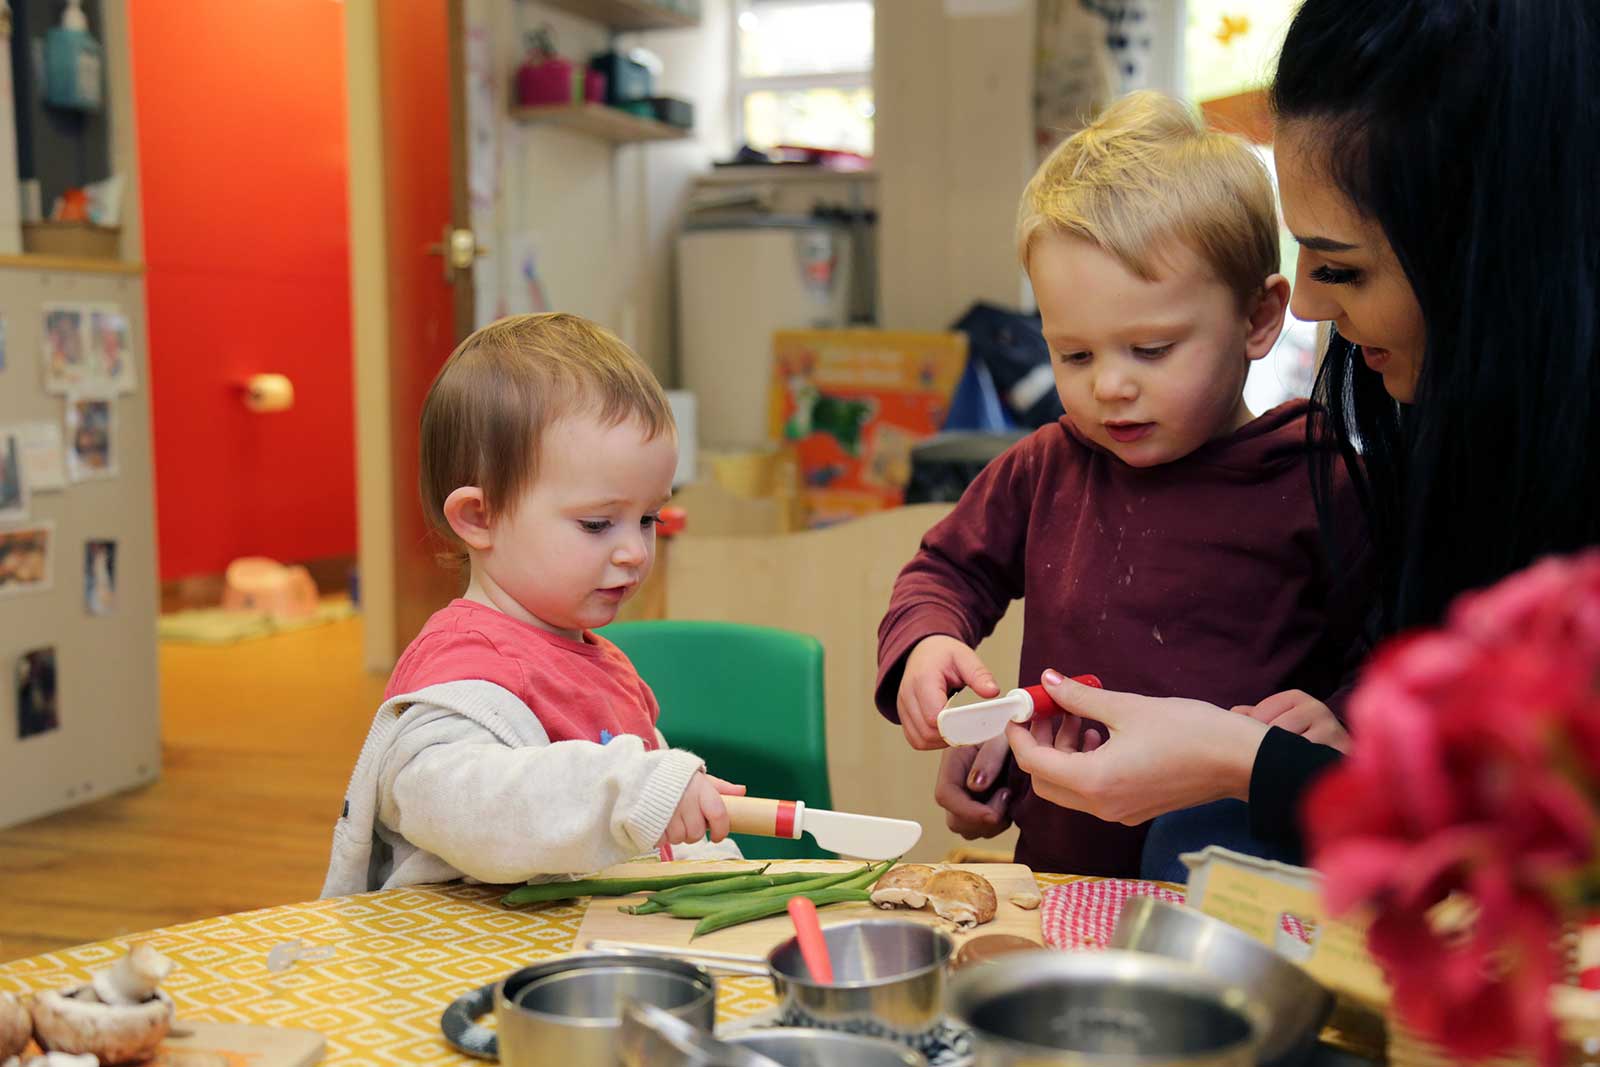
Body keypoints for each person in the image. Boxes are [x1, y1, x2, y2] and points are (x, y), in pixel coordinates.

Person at [1008, 0, 1600, 852]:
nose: (1313, 305)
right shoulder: (1444, 433)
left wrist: (1245, 759)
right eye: (1075, 353)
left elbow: (1513, 829)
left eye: (1342, 268)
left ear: (1486, 253)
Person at [876, 91, 1370, 877]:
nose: (1109, 386)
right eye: (1074, 355)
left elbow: (1398, 652)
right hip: (1059, 870)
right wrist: (928, 643)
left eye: (1151, 348)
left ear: (1258, 318)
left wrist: (1345, 713)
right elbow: (946, 570)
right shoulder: (1047, 465)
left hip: (1240, 899)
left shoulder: (1321, 478)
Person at [323, 314, 742, 896]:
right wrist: (634, 789)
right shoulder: (463, 675)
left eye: (648, 519)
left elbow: (647, 825)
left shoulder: (596, 659)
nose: (633, 551)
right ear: (479, 517)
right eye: (597, 523)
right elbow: (463, 804)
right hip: (476, 974)